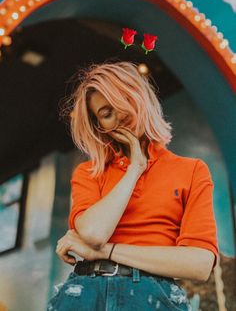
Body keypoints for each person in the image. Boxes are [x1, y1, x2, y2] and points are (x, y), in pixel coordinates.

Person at [47, 61, 218, 311]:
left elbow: (200, 264)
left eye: (123, 99)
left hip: (153, 295)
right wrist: (135, 168)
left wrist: (106, 251)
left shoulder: (192, 170)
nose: (120, 115)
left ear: (141, 96)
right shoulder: (89, 172)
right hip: (84, 292)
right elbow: (94, 233)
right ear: (100, 128)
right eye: (106, 114)